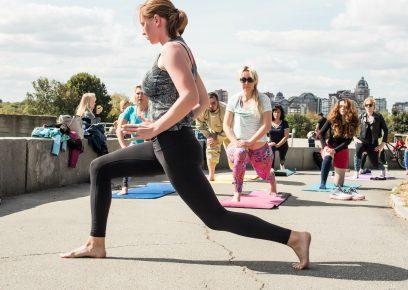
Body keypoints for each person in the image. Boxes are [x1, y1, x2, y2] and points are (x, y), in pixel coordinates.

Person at [61, 0, 311, 270]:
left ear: (157, 20)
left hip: (174, 148)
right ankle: (95, 243)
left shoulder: (171, 50)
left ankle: (294, 238)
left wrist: (158, 126)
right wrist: (168, 123)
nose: (142, 30)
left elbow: (190, 96)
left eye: (143, 23)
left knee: (216, 218)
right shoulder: (181, 50)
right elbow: (202, 100)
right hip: (167, 143)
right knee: (100, 167)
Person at [223, 66, 278, 202]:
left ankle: (272, 180)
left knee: (264, 174)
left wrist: (250, 142)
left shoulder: (263, 99)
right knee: (240, 152)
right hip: (238, 144)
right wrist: (235, 141)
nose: (246, 83)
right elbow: (226, 125)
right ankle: (237, 192)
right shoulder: (234, 99)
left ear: (255, 81)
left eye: (249, 79)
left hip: (258, 146)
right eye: (243, 79)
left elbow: (266, 125)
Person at [319, 99, 363, 200]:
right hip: (329, 147)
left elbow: (347, 141)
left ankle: (336, 181)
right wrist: (324, 147)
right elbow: (320, 133)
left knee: (339, 184)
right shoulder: (332, 118)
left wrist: (336, 150)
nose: (342, 108)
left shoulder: (353, 121)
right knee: (327, 157)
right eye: (340, 106)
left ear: (349, 108)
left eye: (345, 106)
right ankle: (323, 183)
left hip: (342, 149)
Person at [116, 85, 149, 195]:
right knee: (126, 160)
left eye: (142, 93)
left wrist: (143, 118)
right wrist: (123, 147)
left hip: (151, 143)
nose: (140, 96)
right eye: (138, 93)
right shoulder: (130, 110)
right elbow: (119, 129)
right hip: (135, 144)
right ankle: (124, 186)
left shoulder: (152, 109)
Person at [196, 92, 232, 181]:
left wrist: (219, 138)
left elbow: (231, 125)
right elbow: (200, 125)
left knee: (232, 152)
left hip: (229, 131)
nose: (211, 106)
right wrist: (209, 136)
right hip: (213, 131)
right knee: (211, 149)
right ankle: (211, 175)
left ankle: (235, 172)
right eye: (209, 103)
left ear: (218, 102)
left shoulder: (225, 109)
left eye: (213, 103)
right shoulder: (203, 109)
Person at [353, 97, 389, 179]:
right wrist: (355, 138)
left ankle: (383, 170)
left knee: (375, 163)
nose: (368, 107)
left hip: (373, 143)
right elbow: (352, 128)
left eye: (370, 105)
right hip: (362, 141)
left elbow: (386, 130)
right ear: (364, 106)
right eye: (366, 105)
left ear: (374, 106)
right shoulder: (361, 116)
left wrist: (382, 144)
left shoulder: (379, 117)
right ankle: (356, 172)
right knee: (358, 151)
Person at [269, 105, 290, 170]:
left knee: (282, 158)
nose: (276, 114)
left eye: (278, 112)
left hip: (282, 143)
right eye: (275, 112)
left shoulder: (285, 123)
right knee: (271, 152)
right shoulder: (268, 122)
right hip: (272, 143)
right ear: (272, 113)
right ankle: (271, 168)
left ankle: (282, 164)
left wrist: (278, 145)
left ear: (281, 113)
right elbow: (264, 134)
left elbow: (286, 136)